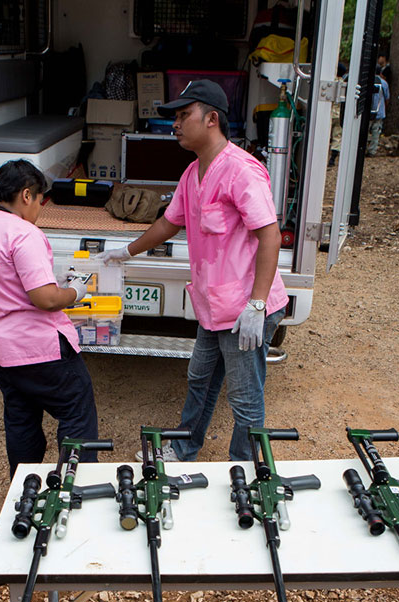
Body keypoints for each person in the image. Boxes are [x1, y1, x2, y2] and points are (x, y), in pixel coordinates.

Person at [95, 80, 285, 462]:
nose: (176, 124)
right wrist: (125, 252)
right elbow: (169, 223)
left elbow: (270, 236)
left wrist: (257, 305)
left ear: (212, 119)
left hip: (243, 308)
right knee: (201, 379)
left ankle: (246, 470)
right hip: (213, 306)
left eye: (184, 115)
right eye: (176, 117)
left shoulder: (241, 171)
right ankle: (183, 448)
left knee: (244, 396)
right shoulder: (192, 173)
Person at [0, 159, 99, 477]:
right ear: (26, 195)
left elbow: (7, 283)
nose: (40, 208)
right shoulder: (24, 233)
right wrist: (75, 291)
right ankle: (75, 485)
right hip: (38, 348)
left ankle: (23, 485)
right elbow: (46, 299)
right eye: (40, 200)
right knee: (76, 408)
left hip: (0, 349)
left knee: (21, 416)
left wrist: (52, 283)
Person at [368, 69, 390, 155]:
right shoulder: (384, 83)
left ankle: (361, 149)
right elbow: (387, 98)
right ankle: (372, 150)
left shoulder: (367, 80)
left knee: (364, 131)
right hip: (379, 111)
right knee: (376, 132)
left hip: (368, 112)